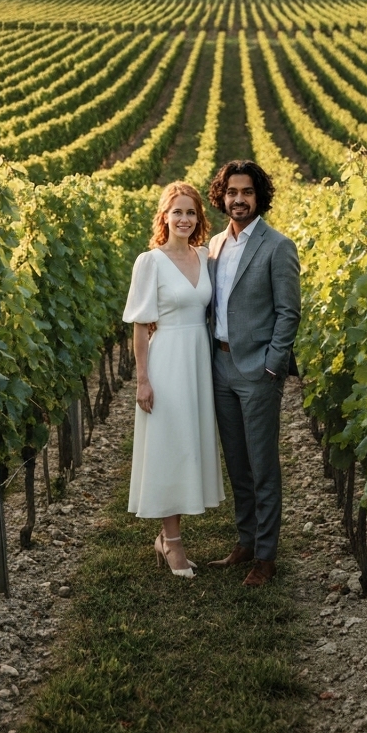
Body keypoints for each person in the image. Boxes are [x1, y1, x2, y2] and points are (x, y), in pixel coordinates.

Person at [122, 181, 225, 578]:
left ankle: (168, 538)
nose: (184, 219)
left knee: (188, 444)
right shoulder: (150, 261)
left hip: (198, 360)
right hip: (166, 361)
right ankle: (172, 544)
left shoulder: (204, 255)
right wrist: (143, 379)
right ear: (164, 216)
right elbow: (139, 326)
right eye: (177, 211)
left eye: (191, 212)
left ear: (199, 218)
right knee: (168, 446)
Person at [206, 161, 301, 588]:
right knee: (237, 463)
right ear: (222, 197)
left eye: (246, 191)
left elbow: (289, 312)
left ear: (259, 196)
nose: (238, 199)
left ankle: (266, 556)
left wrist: (272, 365)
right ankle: (245, 540)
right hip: (220, 366)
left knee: (263, 466)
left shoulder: (277, 246)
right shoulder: (213, 245)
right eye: (231, 192)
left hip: (257, 370)